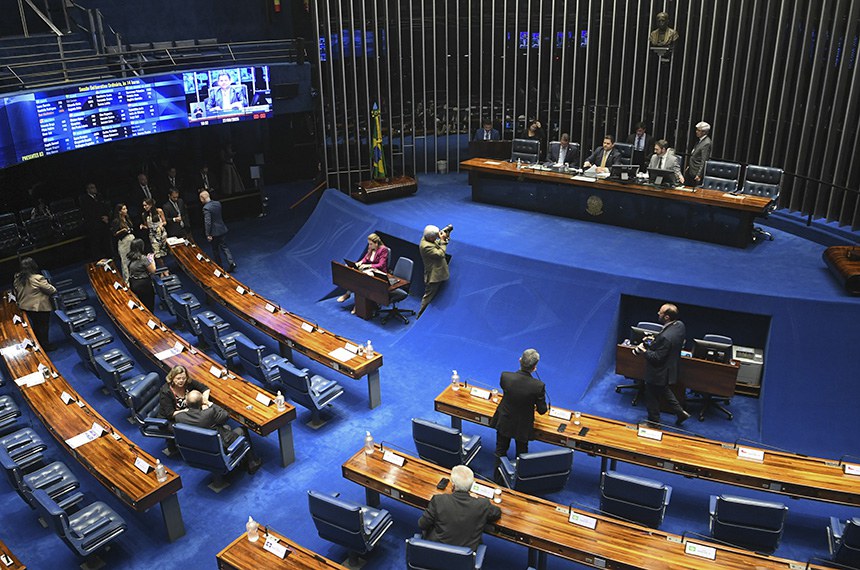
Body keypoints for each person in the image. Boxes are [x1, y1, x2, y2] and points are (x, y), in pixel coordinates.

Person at [174, 390, 262, 474]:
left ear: (186, 403)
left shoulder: (179, 417)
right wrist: (209, 403)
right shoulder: (208, 413)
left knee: (226, 427)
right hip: (218, 447)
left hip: (198, 449)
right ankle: (252, 463)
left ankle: (241, 459)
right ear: (201, 402)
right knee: (242, 430)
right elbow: (225, 415)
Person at [417, 465, 501, 552]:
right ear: (471, 485)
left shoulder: (439, 500)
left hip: (437, 551)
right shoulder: (482, 504)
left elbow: (422, 524)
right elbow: (497, 513)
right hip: (464, 557)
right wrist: (476, 499)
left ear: (453, 485)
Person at [632, 303, 691, 427]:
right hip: (670, 367)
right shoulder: (680, 325)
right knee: (664, 390)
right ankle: (680, 413)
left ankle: (653, 422)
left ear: (667, 317)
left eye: (661, 312)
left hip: (658, 372)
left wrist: (644, 350)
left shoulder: (665, 337)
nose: (658, 313)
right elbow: (666, 346)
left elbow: (657, 358)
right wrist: (655, 341)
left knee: (651, 396)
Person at [490, 348, 548, 471]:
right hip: (523, 426)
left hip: (504, 420)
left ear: (520, 360)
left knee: (500, 450)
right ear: (535, 367)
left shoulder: (505, 377)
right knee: (521, 454)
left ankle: (497, 478)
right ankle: (519, 480)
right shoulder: (538, 386)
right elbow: (542, 410)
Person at [13, 257, 56, 350]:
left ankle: (39, 344)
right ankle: (45, 345)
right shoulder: (37, 278)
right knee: (43, 326)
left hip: (25, 307)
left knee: (36, 325)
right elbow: (51, 290)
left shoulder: (18, 278)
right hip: (39, 307)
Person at [337, 233, 390, 307]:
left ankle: (358, 304)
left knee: (363, 277)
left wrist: (368, 266)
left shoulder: (383, 250)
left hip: (379, 272)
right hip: (370, 269)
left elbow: (381, 265)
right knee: (355, 274)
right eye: (369, 244)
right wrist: (360, 263)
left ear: (376, 243)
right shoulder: (371, 248)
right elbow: (366, 258)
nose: (369, 246)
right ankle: (348, 294)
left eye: (371, 244)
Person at [416, 224, 450, 319]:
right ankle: (420, 317)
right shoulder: (426, 246)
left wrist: (443, 238)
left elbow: (436, 243)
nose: (437, 237)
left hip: (437, 272)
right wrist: (443, 241)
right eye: (435, 236)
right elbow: (440, 254)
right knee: (428, 297)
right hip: (434, 276)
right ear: (431, 237)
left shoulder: (427, 238)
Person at [200, 190, 236, 272]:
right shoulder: (217, 203)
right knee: (224, 246)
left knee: (215, 249)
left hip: (214, 232)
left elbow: (208, 222)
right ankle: (231, 262)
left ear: (202, 198)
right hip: (222, 228)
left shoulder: (206, 208)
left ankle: (220, 267)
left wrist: (207, 234)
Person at [79, 182, 111, 260]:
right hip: (93, 224)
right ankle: (98, 258)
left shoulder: (99, 197)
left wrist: (106, 216)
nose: (95, 189)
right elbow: (89, 212)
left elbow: (104, 207)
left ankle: (109, 254)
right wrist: (100, 218)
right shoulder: (84, 199)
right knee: (96, 242)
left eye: (94, 187)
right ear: (88, 190)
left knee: (106, 240)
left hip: (103, 223)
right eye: (92, 187)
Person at [127, 239, 157, 312]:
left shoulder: (130, 257)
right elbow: (153, 271)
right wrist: (152, 260)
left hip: (133, 283)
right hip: (144, 285)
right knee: (148, 306)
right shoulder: (143, 258)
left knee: (140, 304)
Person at [140, 198, 168, 267]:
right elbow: (147, 226)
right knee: (157, 253)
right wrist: (143, 226)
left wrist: (161, 224)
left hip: (161, 233)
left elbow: (165, 222)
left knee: (163, 252)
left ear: (151, 205)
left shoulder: (159, 211)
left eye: (146, 205)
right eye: (143, 206)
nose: (144, 207)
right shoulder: (144, 214)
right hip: (152, 235)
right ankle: (163, 269)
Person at [111, 203, 135, 282]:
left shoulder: (127, 218)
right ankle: (127, 281)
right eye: (124, 209)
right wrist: (122, 230)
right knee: (125, 262)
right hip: (123, 243)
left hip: (131, 240)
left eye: (126, 208)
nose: (126, 210)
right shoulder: (116, 221)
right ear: (119, 211)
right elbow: (114, 234)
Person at [684, 122, 712, 187]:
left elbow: (704, 160)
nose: (696, 132)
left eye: (698, 130)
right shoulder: (700, 140)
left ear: (704, 132)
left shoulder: (706, 143)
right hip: (692, 169)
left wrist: (699, 174)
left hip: (696, 172)